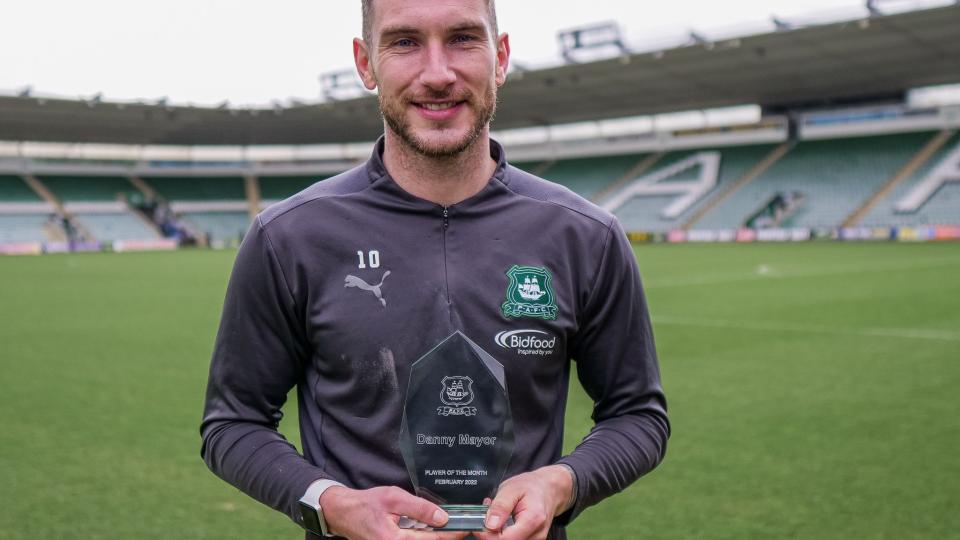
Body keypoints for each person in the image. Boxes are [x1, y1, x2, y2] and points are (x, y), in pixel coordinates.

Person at [199, 1, 669, 538]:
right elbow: (233, 424)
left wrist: (561, 483)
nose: (438, 73)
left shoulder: (587, 235)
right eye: (404, 42)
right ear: (364, 62)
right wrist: (330, 504)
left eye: (464, 38)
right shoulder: (288, 237)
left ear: (502, 57)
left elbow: (638, 415)